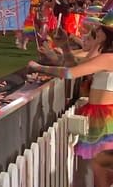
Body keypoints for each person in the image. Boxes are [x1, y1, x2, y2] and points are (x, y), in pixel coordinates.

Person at [28, 11, 113, 187]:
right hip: (102, 115)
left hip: (106, 118)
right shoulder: (104, 56)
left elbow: (69, 73)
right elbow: (73, 65)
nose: (96, 29)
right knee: (102, 172)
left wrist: (39, 68)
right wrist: (65, 45)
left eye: (101, 28)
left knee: (101, 174)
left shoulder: (108, 58)